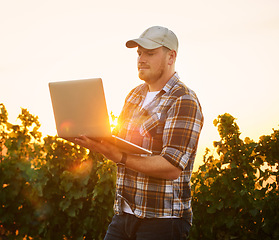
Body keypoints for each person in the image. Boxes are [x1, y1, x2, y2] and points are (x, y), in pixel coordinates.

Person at [75, 26, 204, 240]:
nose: (141, 59)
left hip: (162, 221)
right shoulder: (134, 95)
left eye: (150, 53)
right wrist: (97, 140)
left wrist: (120, 157)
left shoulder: (184, 100)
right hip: (124, 215)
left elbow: (172, 167)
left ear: (171, 56)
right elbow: (119, 143)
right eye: (139, 53)